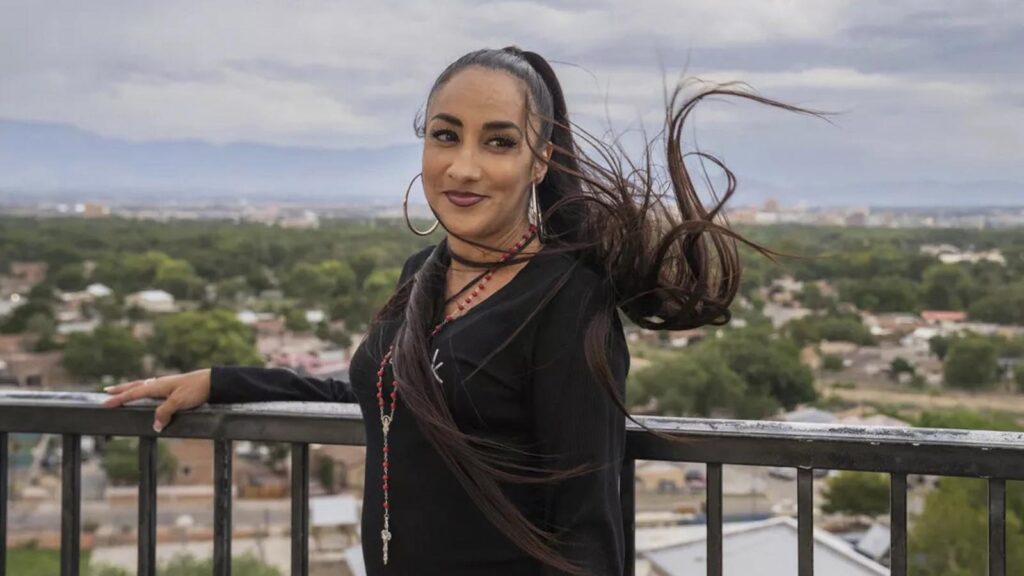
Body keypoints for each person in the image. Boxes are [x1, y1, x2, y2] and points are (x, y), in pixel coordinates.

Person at [102, 46, 824, 575]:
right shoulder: (423, 275)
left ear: (540, 161)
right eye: (445, 135)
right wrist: (224, 382)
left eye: (498, 142)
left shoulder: (566, 299)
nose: (464, 166)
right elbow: (389, 394)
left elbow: (587, 527)